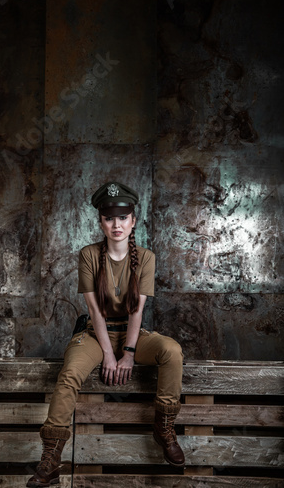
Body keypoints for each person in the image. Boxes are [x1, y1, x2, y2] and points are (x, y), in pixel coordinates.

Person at [27, 181, 185, 487]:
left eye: (123, 217)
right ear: (101, 222)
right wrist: (109, 355)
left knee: (172, 351)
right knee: (71, 373)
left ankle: (164, 426)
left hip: (132, 335)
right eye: (109, 218)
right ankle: (51, 458)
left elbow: (137, 312)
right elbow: (95, 311)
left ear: (133, 221)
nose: (117, 224)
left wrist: (128, 353)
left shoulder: (146, 258)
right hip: (96, 337)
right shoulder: (88, 255)